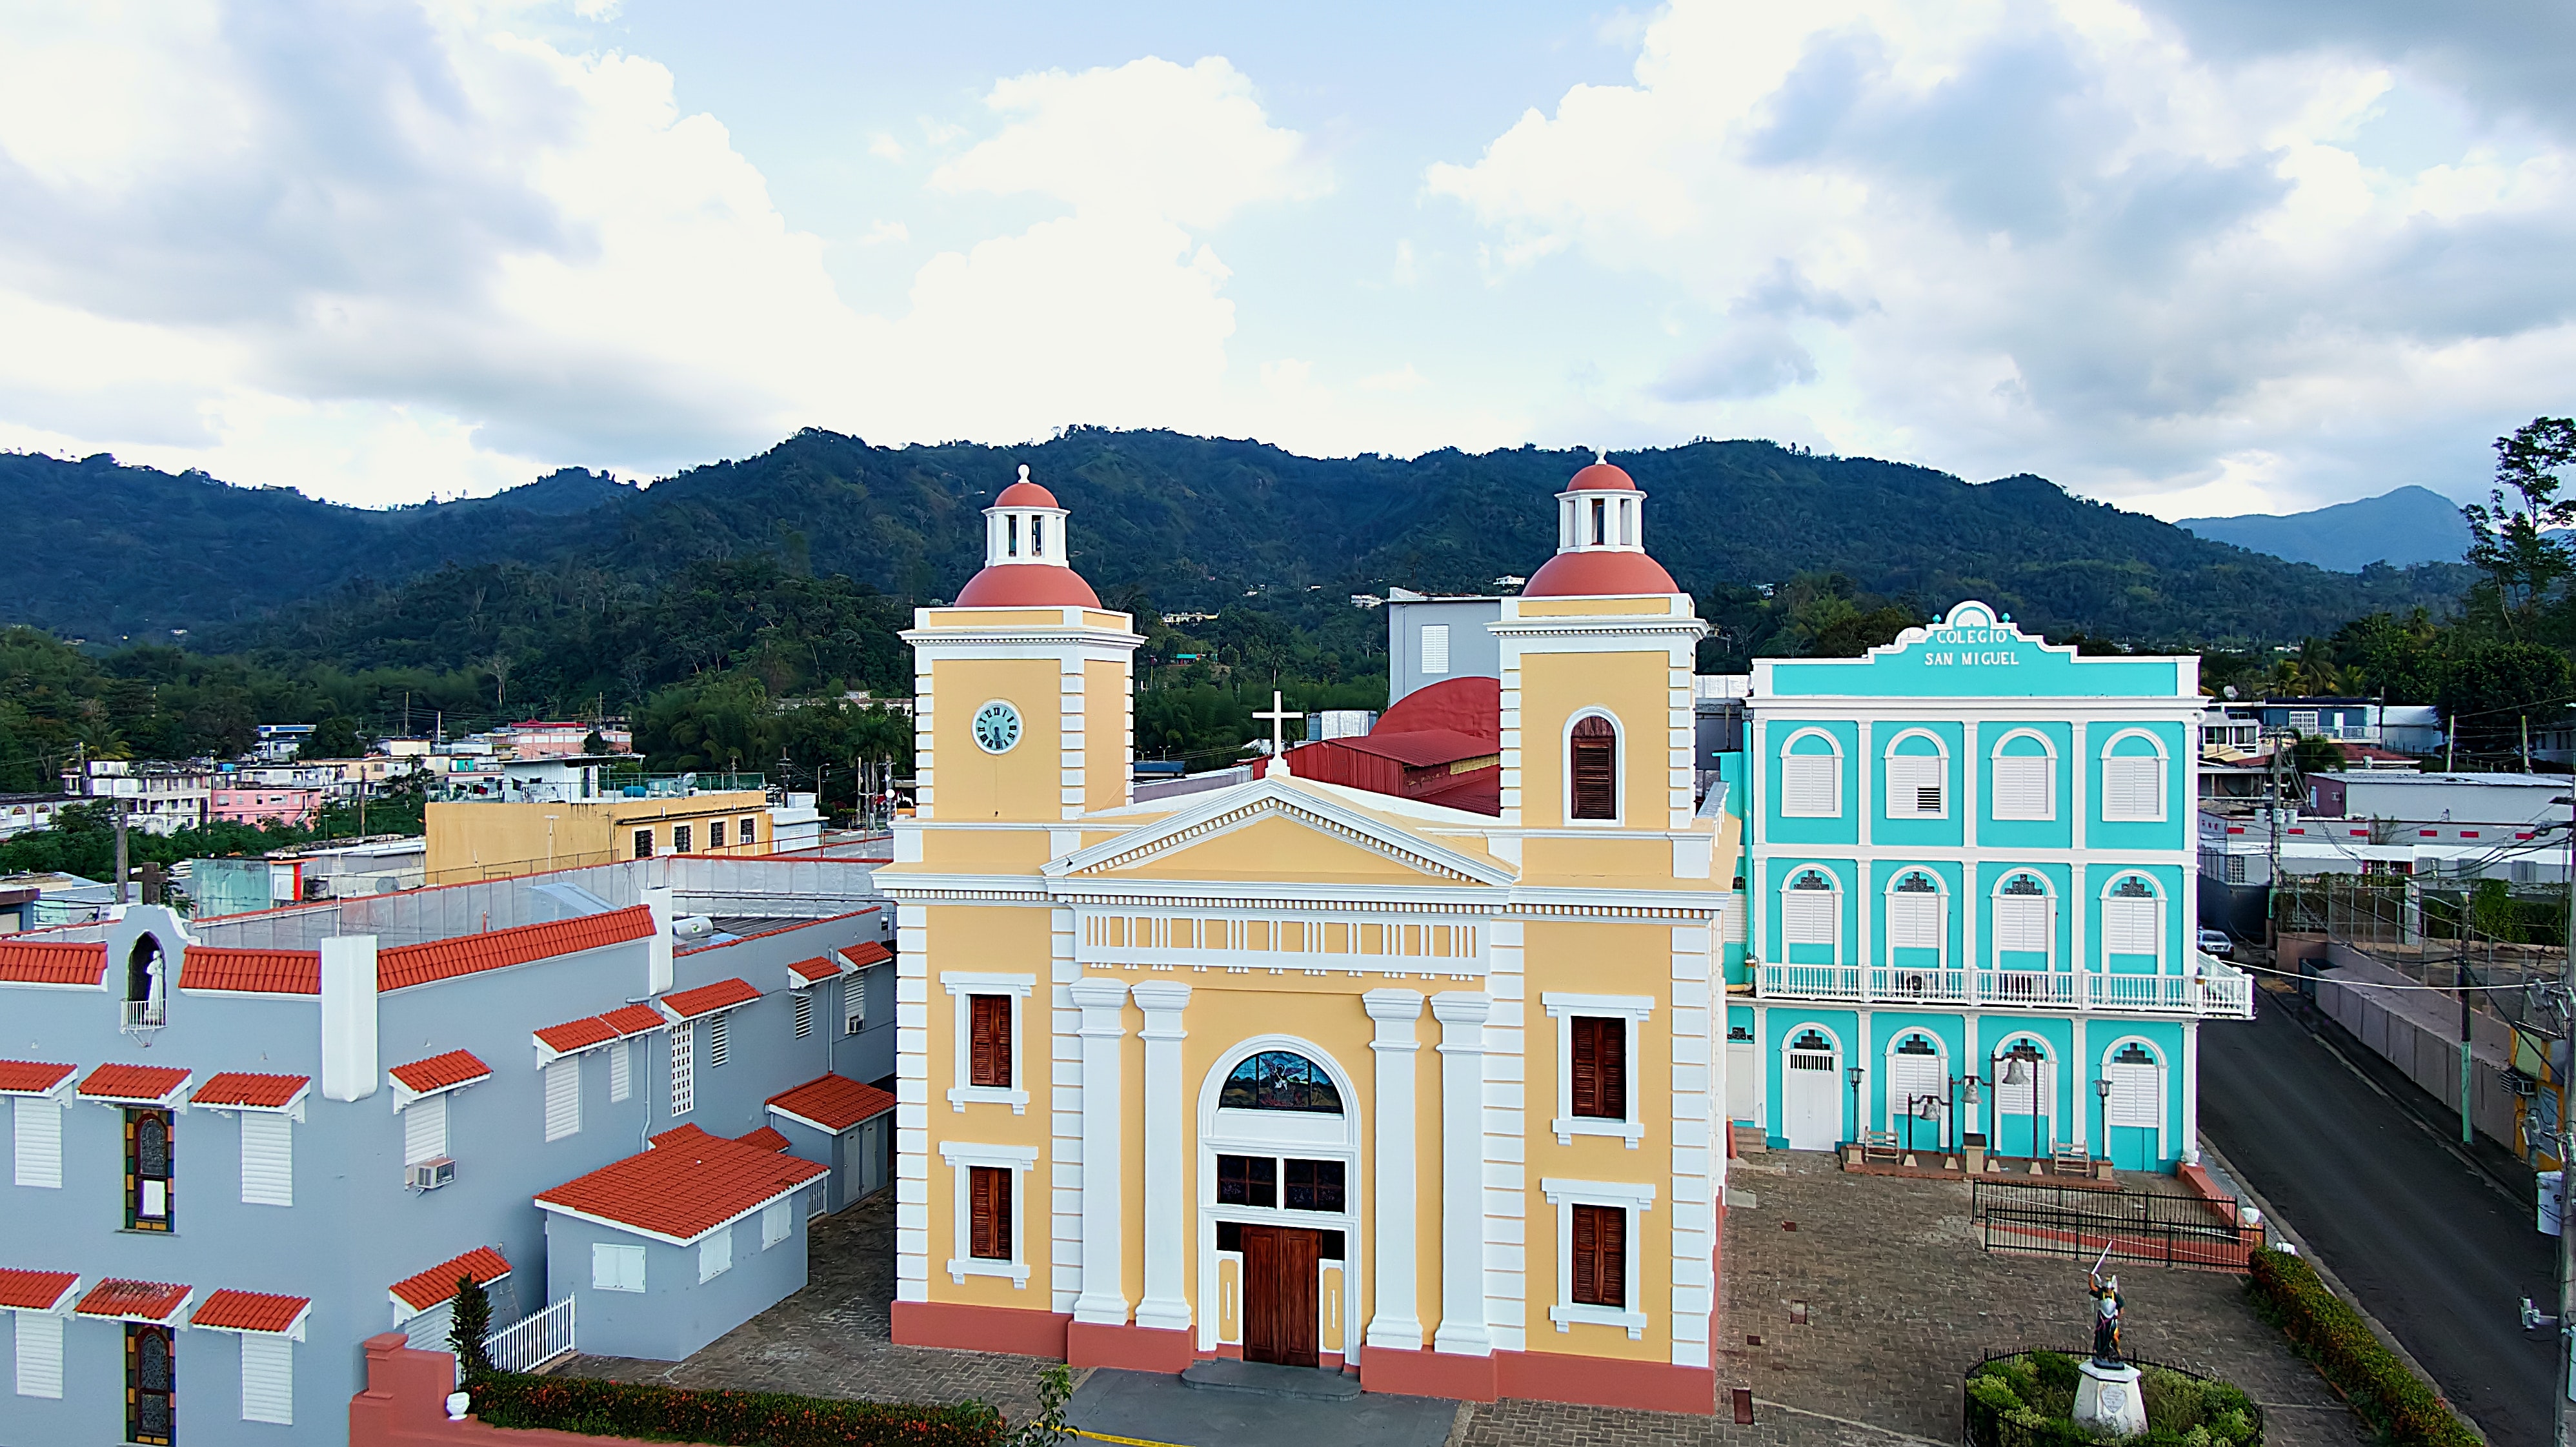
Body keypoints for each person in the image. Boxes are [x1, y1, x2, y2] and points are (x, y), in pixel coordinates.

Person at [2088, 1266, 2123, 1364]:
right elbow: (2093, 1288)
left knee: (2110, 1335)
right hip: (2102, 1318)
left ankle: (2111, 1351)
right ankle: (2099, 1351)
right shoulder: (2101, 1293)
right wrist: (2091, 1279)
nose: (2108, 1290)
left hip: (2111, 1319)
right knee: (2100, 1335)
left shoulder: (2115, 1296)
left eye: (2110, 1289)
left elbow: (2121, 1306)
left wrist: (2119, 1315)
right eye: (2107, 1289)